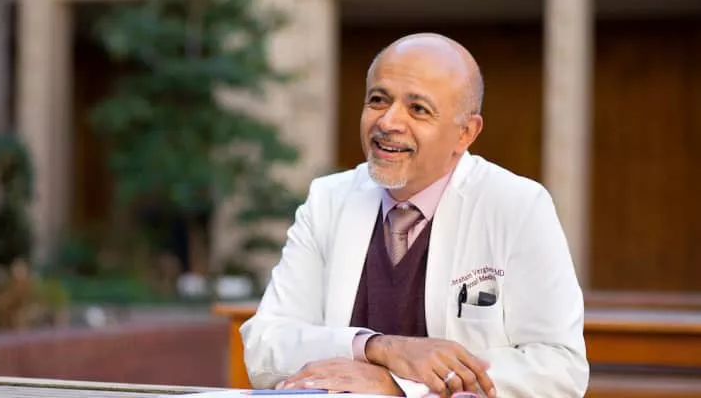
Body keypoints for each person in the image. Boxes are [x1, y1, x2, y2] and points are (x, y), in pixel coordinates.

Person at [240, 33, 589, 398]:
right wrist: (376, 347)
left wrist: (399, 385)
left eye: (418, 109)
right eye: (378, 100)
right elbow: (264, 344)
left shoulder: (517, 205)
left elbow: (559, 367)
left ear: (465, 133)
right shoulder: (329, 199)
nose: (389, 121)